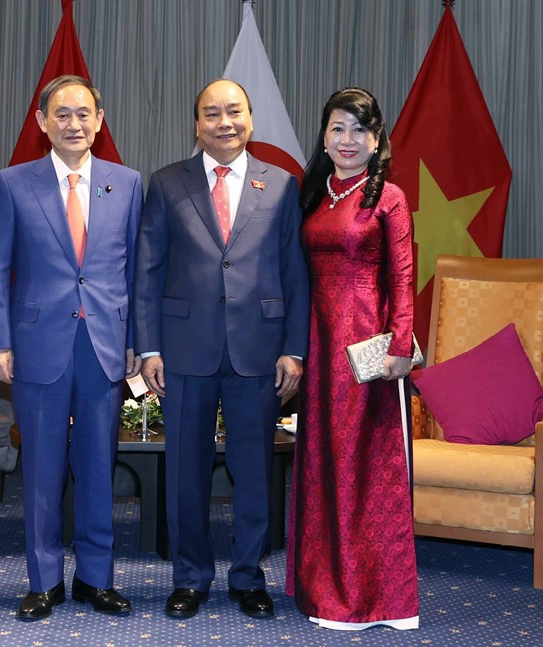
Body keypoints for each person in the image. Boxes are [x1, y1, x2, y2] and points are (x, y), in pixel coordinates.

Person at [134, 79, 309, 619]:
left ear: (251, 119)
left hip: (258, 350)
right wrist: (148, 348)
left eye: (234, 112)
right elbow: (147, 272)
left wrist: (294, 350)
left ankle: (249, 577)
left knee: (253, 469)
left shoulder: (281, 185)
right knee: (185, 469)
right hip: (184, 351)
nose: (224, 122)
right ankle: (190, 577)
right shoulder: (166, 184)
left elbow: (294, 274)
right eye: (212, 114)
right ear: (197, 125)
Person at [0, 75, 142, 621]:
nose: (74, 124)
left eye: (84, 114)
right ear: (42, 122)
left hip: (104, 346)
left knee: (99, 466)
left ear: (100, 121)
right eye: (62, 114)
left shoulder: (127, 182)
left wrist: (138, 344)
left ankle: (96, 579)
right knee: (43, 471)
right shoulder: (12, 183)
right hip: (36, 346)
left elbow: (135, 271)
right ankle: (44, 580)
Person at [286, 87, 419, 630]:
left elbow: (405, 277)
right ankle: (322, 585)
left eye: (359, 130)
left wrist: (401, 347)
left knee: (361, 466)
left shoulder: (388, 197)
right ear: (324, 134)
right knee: (319, 462)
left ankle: (369, 598)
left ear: (377, 138)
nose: (347, 140)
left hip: (365, 349)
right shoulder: (314, 192)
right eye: (338, 128)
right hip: (315, 344)